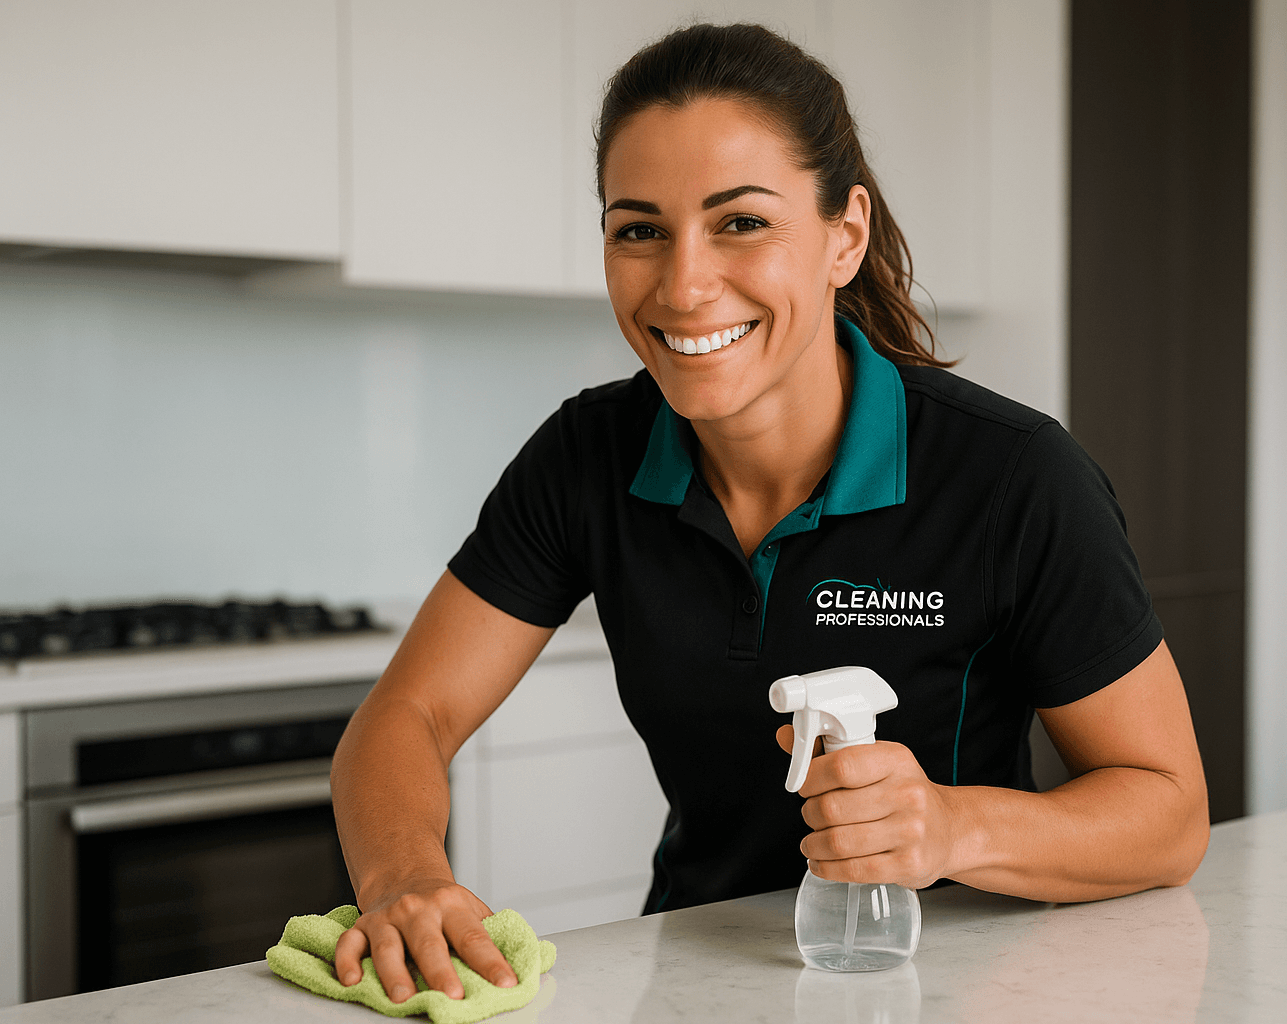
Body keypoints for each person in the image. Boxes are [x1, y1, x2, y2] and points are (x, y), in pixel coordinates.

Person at [329, 22, 1209, 1004]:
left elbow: (1169, 814)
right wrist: (406, 878)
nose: (684, 282)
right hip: (692, 975)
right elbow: (405, 715)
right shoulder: (588, 456)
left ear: (845, 235)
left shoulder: (1014, 477)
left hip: (953, 982)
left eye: (739, 221)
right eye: (640, 228)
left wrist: (953, 826)